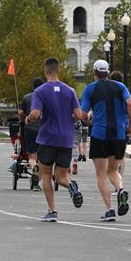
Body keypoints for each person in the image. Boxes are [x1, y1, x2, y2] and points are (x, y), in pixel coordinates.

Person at [25, 56, 84, 223]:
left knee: (46, 175)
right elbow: (79, 115)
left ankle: (52, 210)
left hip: (48, 137)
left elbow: (35, 114)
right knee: (61, 176)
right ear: (58, 70)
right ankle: (71, 186)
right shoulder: (70, 91)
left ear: (46, 71)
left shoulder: (40, 91)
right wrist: (68, 121)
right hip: (66, 138)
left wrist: (28, 119)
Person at [80, 59, 131, 222]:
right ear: (108, 72)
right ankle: (120, 189)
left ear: (94, 72)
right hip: (118, 134)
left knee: (101, 173)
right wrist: (130, 125)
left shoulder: (90, 89)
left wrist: (88, 119)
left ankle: (109, 209)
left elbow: (83, 114)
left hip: (99, 134)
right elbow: (130, 103)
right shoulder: (120, 86)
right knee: (112, 170)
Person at [19, 76, 44, 189]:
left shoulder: (26, 97)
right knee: (42, 157)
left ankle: (34, 168)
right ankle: (38, 181)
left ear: (33, 86)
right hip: (44, 129)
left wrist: (24, 118)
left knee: (32, 156)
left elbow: (20, 112)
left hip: (30, 128)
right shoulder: (46, 98)